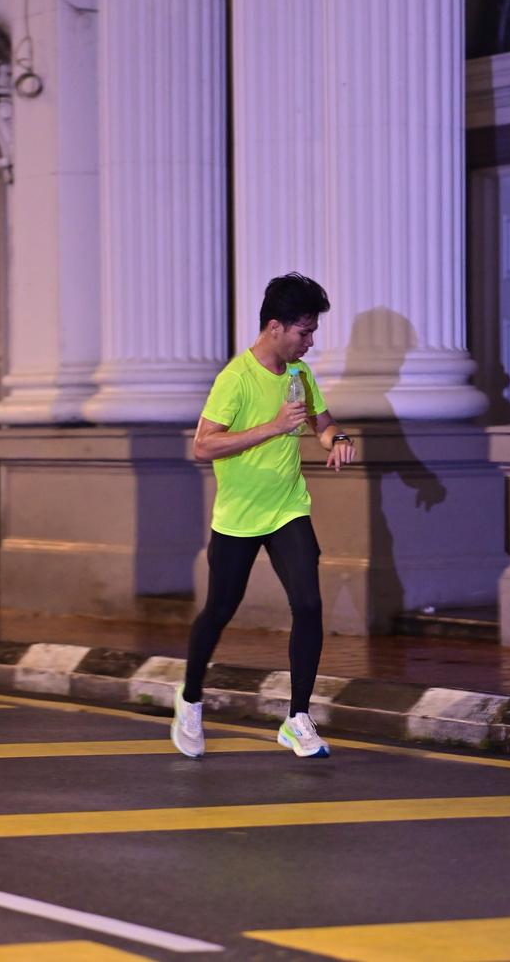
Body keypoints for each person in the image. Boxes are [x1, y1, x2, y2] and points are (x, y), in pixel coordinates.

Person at [172, 272, 356, 760]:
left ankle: (297, 718)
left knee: (309, 605)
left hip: (288, 508)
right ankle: (190, 699)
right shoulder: (235, 378)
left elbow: (322, 422)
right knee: (220, 610)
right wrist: (272, 427)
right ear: (276, 326)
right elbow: (203, 446)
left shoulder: (299, 375)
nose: (310, 342)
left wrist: (337, 440)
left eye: (313, 332)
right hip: (238, 516)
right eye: (304, 332)